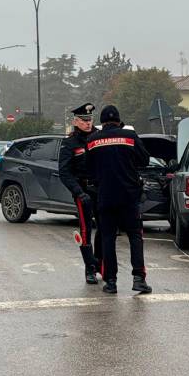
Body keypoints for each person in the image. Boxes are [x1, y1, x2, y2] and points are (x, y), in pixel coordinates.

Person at [85, 105, 152, 294]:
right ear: (119, 121)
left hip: (105, 196)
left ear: (102, 122)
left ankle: (111, 282)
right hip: (129, 197)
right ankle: (139, 279)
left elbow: (88, 170)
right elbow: (144, 160)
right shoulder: (130, 137)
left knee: (108, 238)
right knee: (135, 236)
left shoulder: (92, 140)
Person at [58, 103, 101, 284]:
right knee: (85, 230)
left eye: (89, 119)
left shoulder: (98, 137)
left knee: (105, 228)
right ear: (76, 121)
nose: (88, 123)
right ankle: (90, 268)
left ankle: (100, 263)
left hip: (100, 189)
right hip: (82, 191)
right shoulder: (69, 143)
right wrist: (78, 192)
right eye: (84, 120)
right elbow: (64, 172)